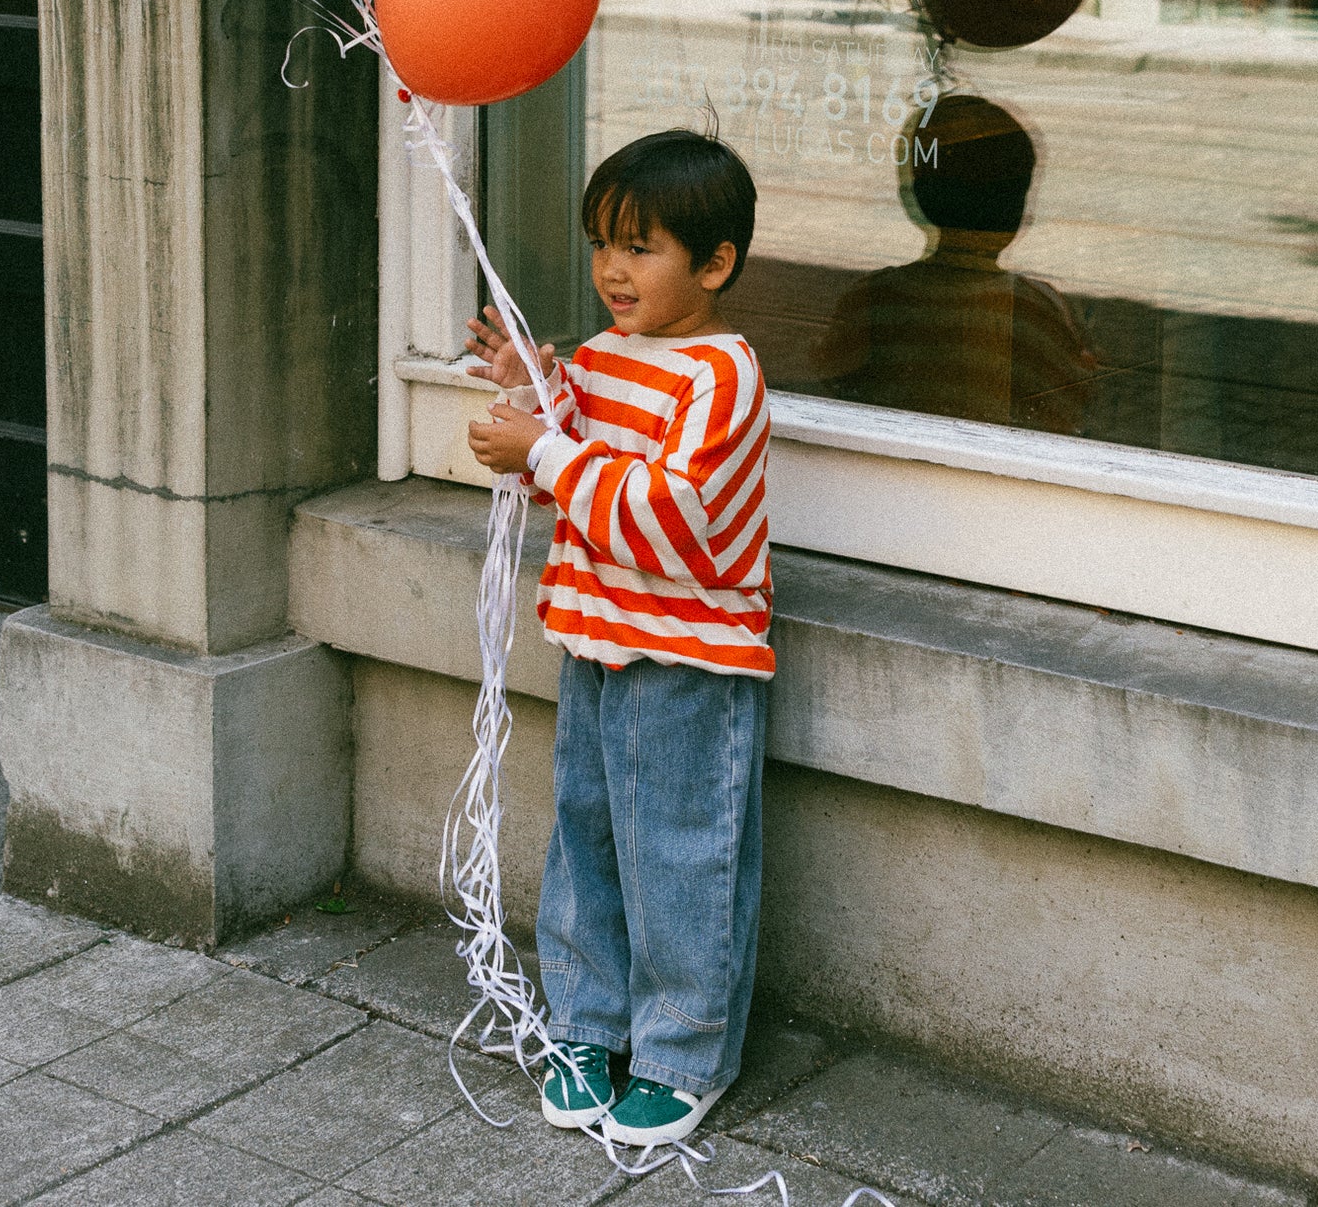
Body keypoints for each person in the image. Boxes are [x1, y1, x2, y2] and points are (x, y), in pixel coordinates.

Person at [465, 127, 770, 1152]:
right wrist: (529, 389)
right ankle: (587, 1025)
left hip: (684, 660)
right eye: (602, 243)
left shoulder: (719, 377)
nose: (610, 268)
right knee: (587, 838)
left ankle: (683, 1049)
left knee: (680, 853)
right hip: (596, 641)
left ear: (714, 264)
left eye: (640, 246)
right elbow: (566, 452)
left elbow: (671, 518)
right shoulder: (604, 359)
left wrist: (545, 448)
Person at [816, 93, 1095, 432]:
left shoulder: (872, 298)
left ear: (916, 199)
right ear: (1018, 210)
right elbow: (1068, 408)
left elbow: (833, 385)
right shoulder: (1036, 306)